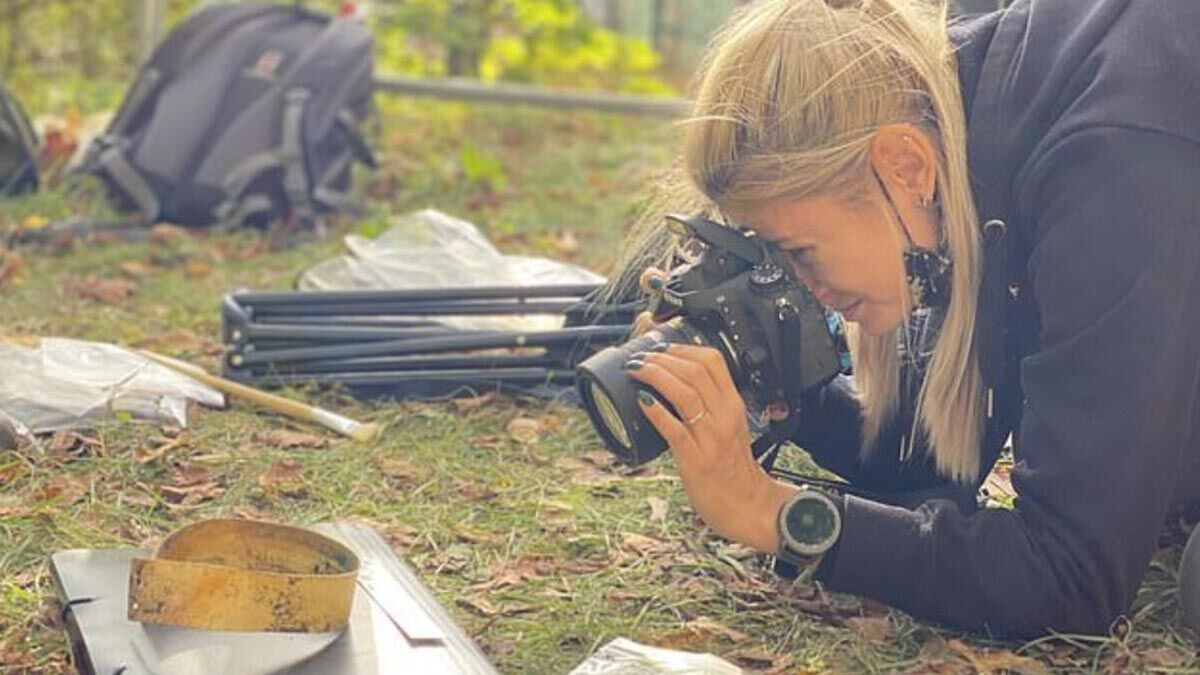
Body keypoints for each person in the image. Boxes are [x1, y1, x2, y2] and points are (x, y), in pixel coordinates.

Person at [617, 0, 1200, 639]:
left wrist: (770, 511)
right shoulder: (960, 115)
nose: (800, 289)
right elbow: (937, 467)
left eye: (799, 254)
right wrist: (773, 389)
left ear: (904, 166)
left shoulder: (1110, 162)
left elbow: (1068, 578)